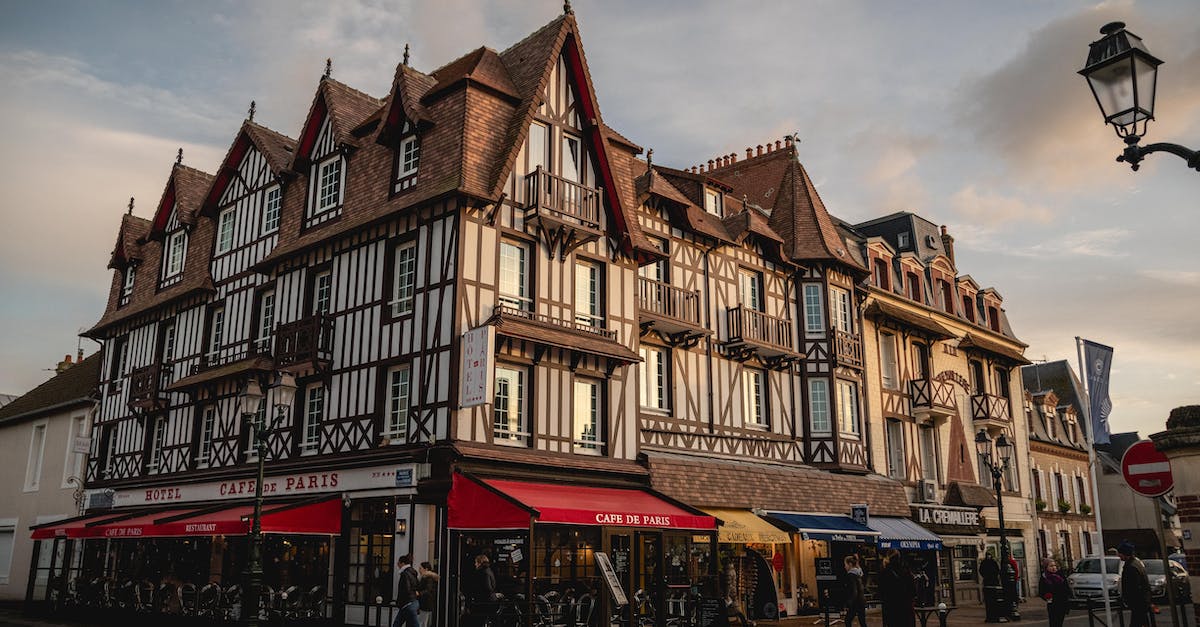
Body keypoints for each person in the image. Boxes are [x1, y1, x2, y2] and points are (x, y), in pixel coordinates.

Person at [877, 549, 916, 627]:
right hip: (906, 608)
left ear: (888, 558)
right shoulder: (907, 571)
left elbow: (881, 593)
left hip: (892, 609)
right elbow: (913, 591)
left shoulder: (885, 573)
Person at [1118, 541, 1152, 627]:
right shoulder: (1136, 563)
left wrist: (1128, 600)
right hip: (1142, 601)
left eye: (1120, 553)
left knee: (1136, 623)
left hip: (1138, 602)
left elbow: (1134, 587)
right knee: (1143, 622)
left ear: (1125, 553)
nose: (1118, 555)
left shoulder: (1131, 567)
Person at [1038, 558, 1070, 627]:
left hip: (1062, 603)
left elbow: (1066, 588)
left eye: (1054, 565)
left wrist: (1067, 598)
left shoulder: (1060, 575)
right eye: (1051, 566)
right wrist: (1046, 597)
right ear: (1046, 567)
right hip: (1052, 604)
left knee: (1060, 622)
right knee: (1053, 623)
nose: (1054, 567)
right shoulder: (1044, 578)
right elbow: (1041, 591)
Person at [393, 554, 420, 627]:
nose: (397, 564)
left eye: (398, 562)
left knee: (397, 624)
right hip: (413, 602)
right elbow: (417, 586)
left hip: (407, 604)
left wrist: (400, 602)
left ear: (402, 563)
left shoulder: (405, 574)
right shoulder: (413, 573)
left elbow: (406, 589)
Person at [842, 554, 867, 627]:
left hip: (855, 602)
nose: (844, 566)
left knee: (847, 620)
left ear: (849, 564)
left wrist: (849, 602)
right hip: (861, 600)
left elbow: (854, 590)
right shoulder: (858, 573)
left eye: (845, 564)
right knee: (862, 622)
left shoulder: (850, 575)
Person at [417, 561, 439, 627]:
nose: (419, 570)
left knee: (422, 622)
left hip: (425, 603)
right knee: (423, 622)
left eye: (420, 568)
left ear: (426, 569)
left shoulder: (428, 578)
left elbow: (428, 590)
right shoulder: (425, 577)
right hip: (425, 603)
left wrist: (419, 593)